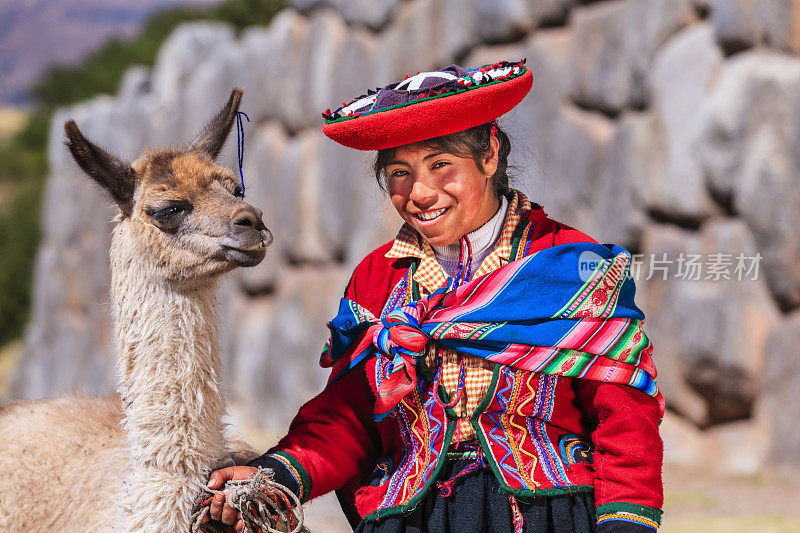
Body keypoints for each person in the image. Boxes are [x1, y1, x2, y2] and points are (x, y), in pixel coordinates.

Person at [204, 59, 664, 533]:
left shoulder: (569, 265)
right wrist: (278, 475)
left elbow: (624, 418)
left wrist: (626, 523)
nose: (420, 192)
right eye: (400, 173)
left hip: (547, 517)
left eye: (441, 165)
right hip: (412, 519)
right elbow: (352, 414)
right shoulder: (378, 279)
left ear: (488, 155)